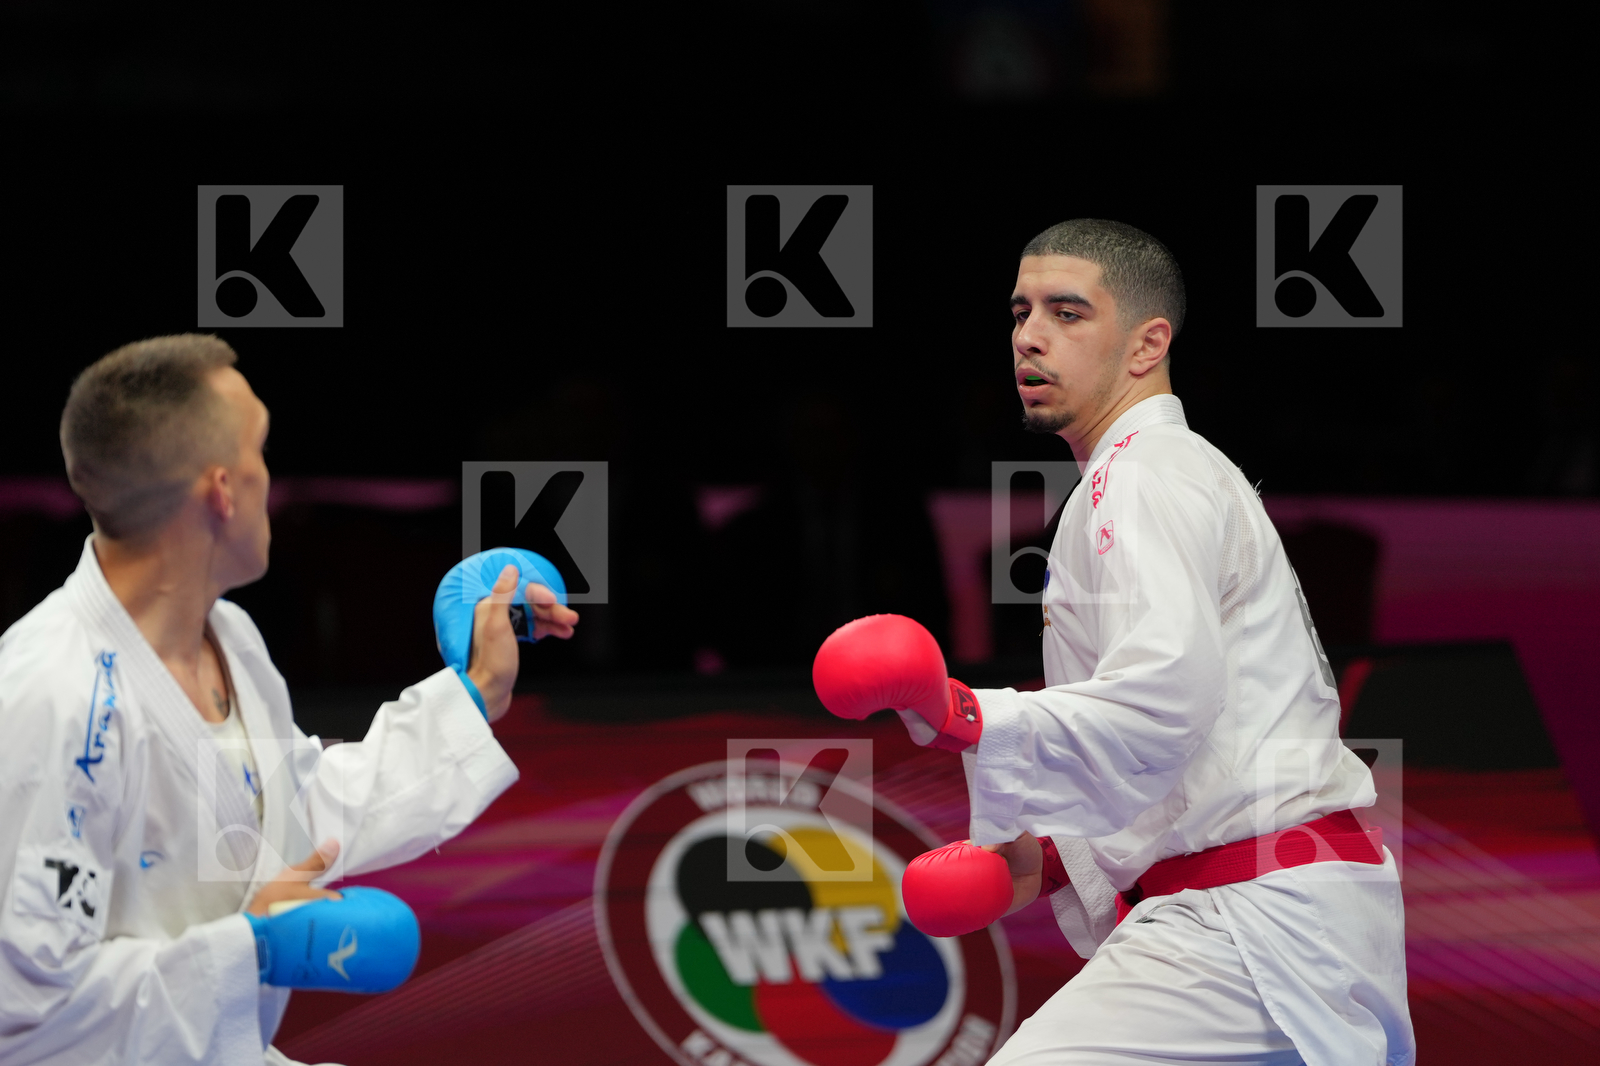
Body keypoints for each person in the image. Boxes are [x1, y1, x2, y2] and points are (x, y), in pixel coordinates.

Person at [812, 220, 1414, 1065]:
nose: (1030, 335)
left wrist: (960, 712)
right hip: (1285, 909)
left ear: (1146, 344)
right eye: (1020, 312)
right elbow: (1201, 738)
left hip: (1250, 926)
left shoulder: (1143, 474)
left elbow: (1166, 695)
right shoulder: (1149, 472)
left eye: (1067, 312)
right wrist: (1056, 860)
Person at [0, 335, 578, 1065]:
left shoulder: (228, 638)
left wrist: (474, 692)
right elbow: (25, 1020)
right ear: (220, 489)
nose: (272, 478)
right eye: (260, 450)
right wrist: (252, 948)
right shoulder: (52, 698)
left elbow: (282, 817)